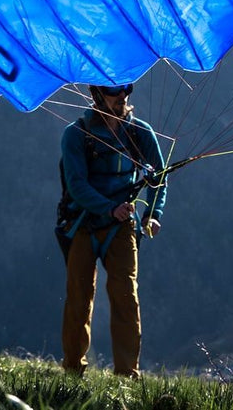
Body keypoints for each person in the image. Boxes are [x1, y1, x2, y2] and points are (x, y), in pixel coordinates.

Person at [60, 82, 167, 377]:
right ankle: (72, 371)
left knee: (125, 298)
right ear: (97, 94)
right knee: (79, 298)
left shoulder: (139, 132)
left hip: (122, 227)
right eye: (113, 90)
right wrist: (109, 208)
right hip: (83, 223)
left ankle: (126, 375)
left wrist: (153, 214)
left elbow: (158, 178)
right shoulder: (76, 134)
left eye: (126, 88)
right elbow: (77, 185)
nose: (121, 96)